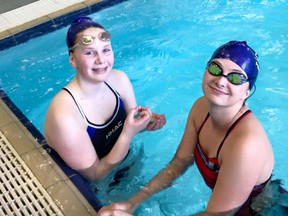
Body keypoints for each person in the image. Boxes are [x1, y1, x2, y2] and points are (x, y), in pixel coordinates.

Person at [99, 41, 287, 215]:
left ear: (246, 92)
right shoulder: (201, 108)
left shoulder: (246, 144)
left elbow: (216, 215)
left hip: (265, 210)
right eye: (215, 68)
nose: (221, 81)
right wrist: (133, 202)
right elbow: (179, 163)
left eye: (236, 78)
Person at [44, 16, 166, 182]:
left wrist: (147, 123)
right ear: (72, 59)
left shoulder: (119, 80)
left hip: (130, 165)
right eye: (89, 53)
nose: (101, 60)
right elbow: (94, 176)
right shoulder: (64, 113)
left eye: (106, 50)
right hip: (101, 188)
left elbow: (133, 122)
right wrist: (128, 133)